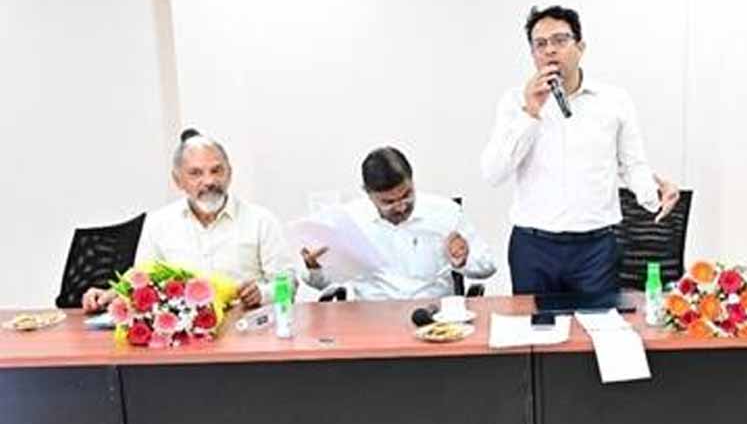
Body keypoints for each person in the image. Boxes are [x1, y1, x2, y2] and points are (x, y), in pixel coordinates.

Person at [482, 5, 680, 294]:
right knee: (535, 323)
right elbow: (493, 173)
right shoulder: (515, 102)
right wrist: (531, 111)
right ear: (533, 54)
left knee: (598, 323)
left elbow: (631, 165)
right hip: (533, 247)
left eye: (560, 40)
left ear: (580, 47)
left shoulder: (614, 101)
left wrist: (655, 196)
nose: (550, 50)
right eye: (540, 44)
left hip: (595, 249)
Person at [82, 135, 297, 311]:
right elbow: (142, 280)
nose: (209, 181)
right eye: (195, 173)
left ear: (229, 173)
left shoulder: (261, 220)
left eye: (216, 170)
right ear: (178, 180)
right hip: (183, 335)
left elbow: (289, 284)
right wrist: (110, 295)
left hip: (247, 331)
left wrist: (263, 294)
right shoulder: (159, 223)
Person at [301, 147, 496, 300]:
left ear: (412, 180)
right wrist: (314, 267)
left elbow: (487, 266)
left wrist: (463, 261)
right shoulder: (349, 221)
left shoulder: (445, 212)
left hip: (434, 319)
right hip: (373, 320)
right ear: (367, 193)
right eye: (389, 202)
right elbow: (324, 284)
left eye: (407, 195)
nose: (401, 207)